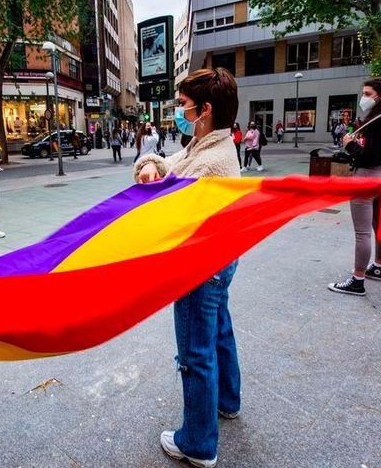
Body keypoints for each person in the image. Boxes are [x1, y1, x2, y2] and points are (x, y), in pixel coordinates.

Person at [135, 68, 241, 468]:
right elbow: (166, 163)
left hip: (201, 267)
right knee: (219, 332)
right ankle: (228, 400)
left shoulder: (211, 160)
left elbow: (163, 201)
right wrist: (149, 164)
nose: (178, 111)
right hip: (220, 260)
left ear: (205, 109)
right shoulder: (205, 145)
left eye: (182, 105)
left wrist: (153, 179)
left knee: (196, 352)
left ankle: (197, 443)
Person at [328, 77, 381, 296]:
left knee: (363, 233)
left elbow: (368, 156)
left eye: (368, 94)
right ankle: (378, 266)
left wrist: (350, 145)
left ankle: (357, 280)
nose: (363, 98)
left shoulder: (379, 120)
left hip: (366, 178)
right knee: (379, 226)